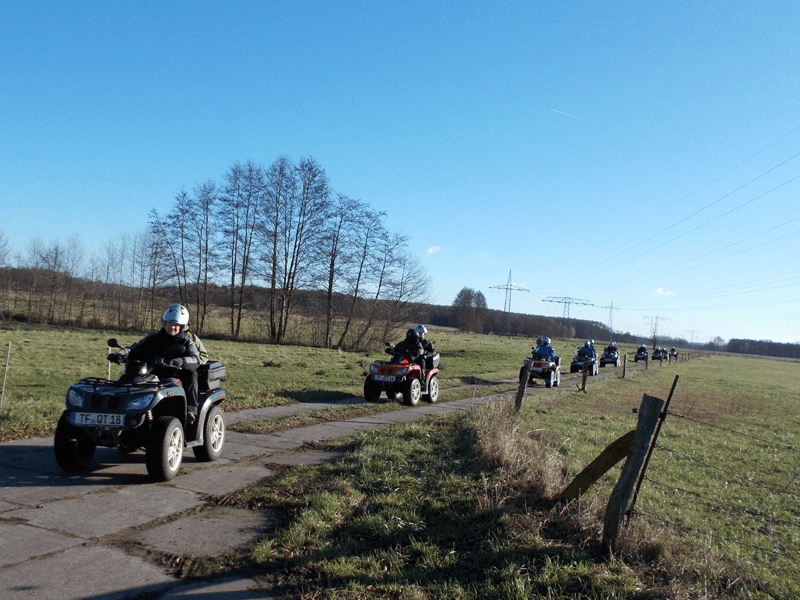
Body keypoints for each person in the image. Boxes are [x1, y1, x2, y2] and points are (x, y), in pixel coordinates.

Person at [108, 303, 202, 421]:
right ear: (165, 323)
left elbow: (196, 359)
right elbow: (134, 348)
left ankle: (190, 410)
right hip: (150, 374)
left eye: (177, 325)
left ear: (183, 327)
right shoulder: (152, 339)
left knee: (192, 373)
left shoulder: (187, 343)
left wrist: (181, 361)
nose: (173, 327)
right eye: (170, 324)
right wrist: (120, 354)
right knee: (124, 381)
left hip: (175, 376)